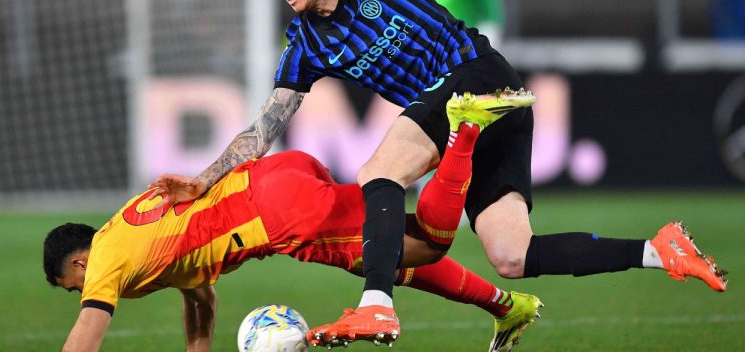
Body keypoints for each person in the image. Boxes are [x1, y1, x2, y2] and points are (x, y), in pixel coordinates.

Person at [150, 0, 728, 348]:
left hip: (478, 76)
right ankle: (658, 251)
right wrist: (204, 180)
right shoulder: (304, 46)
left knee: (379, 172)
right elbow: (263, 128)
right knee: (511, 256)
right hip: (482, 111)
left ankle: (376, 304)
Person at [43, 103, 542, 352]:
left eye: (74, 287)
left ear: (81, 263)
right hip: (277, 174)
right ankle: (505, 306)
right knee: (383, 254)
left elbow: (87, 331)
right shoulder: (127, 233)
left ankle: (465, 134)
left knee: (426, 246)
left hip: (277, 216)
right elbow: (201, 299)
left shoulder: (105, 262)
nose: (82, 293)